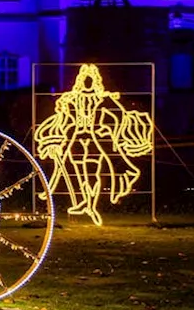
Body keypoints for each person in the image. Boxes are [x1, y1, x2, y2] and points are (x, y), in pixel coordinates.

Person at [34, 64, 153, 226]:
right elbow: (61, 120)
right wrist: (54, 137)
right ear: (80, 80)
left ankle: (90, 203)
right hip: (75, 140)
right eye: (85, 78)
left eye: (91, 78)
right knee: (79, 172)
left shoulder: (103, 98)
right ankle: (86, 202)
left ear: (95, 79)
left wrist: (114, 133)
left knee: (95, 173)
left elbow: (119, 116)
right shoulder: (70, 99)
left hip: (95, 140)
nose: (87, 82)